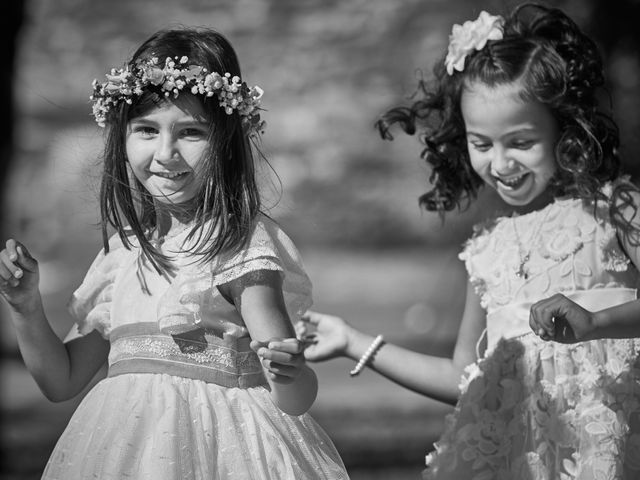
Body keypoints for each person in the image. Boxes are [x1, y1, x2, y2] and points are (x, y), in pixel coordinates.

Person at [294, 4, 640, 479]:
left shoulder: (614, 207)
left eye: (520, 142)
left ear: (564, 127)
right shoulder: (486, 250)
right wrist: (353, 342)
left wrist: (597, 322)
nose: (500, 164)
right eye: (482, 144)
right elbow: (468, 376)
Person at [0, 27, 349, 479]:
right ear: (121, 136)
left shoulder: (237, 244)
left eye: (190, 132)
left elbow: (294, 397)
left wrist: (288, 371)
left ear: (225, 143)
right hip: (121, 457)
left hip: (224, 456)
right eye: (146, 130)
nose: (166, 153)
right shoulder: (121, 256)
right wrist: (25, 306)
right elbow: (60, 380)